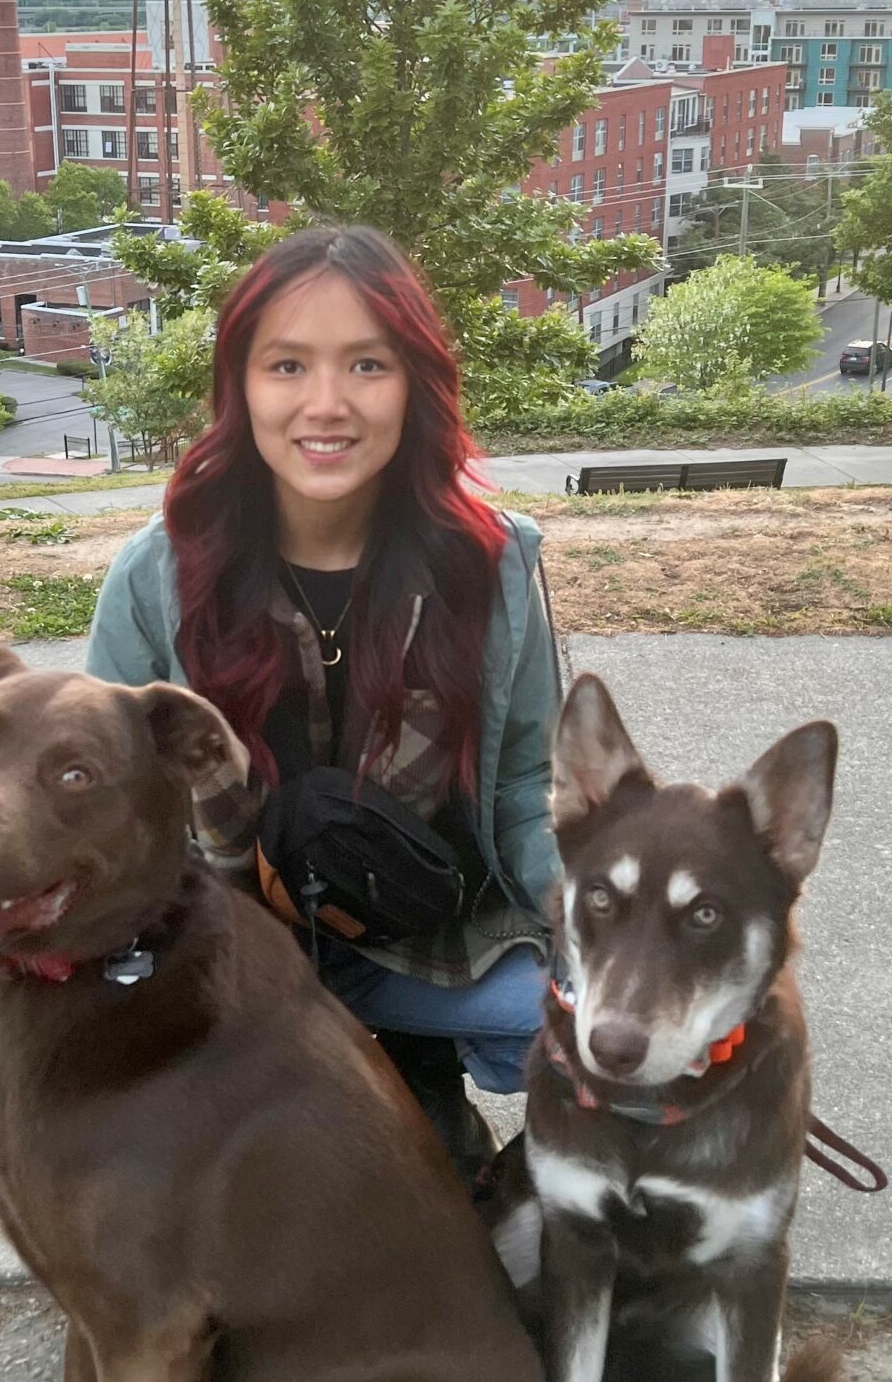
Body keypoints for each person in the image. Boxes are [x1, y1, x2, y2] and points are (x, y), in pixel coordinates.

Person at [86, 222, 561, 1178]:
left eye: (368, 365)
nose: (327, 405)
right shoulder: (158, 574)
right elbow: (99, 797)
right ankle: (348, 1092)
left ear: (415, 382)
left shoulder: (494, 564)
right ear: (241, 386)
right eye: (289, 365)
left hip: (425, 937)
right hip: (223, 953)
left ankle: (411, 1077)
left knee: (601, 1024)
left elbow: (525, 784)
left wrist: (598, 933)